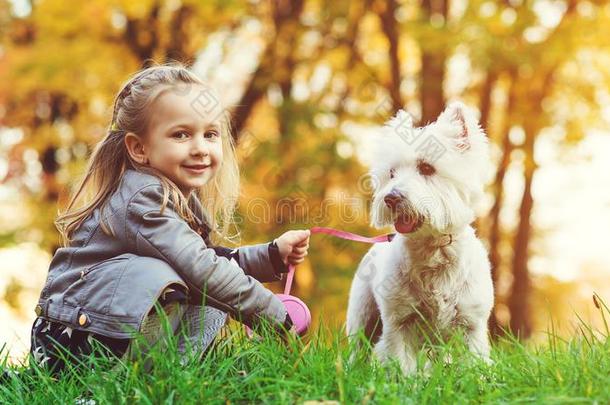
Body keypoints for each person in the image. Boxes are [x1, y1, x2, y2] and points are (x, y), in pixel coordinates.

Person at [29, 64, 310, 375]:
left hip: (100, 328)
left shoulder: (177, 199)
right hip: (69, 346)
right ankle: (102, 382)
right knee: (185, 278)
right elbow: (202, 269)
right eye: (181, 134)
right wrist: (274, 314)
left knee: (207, 286)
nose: (201, 148)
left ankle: (173, 375)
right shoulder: (142, 198)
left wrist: (270, 255)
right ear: (139, 148)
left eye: (210, 134)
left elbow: (208, 261)